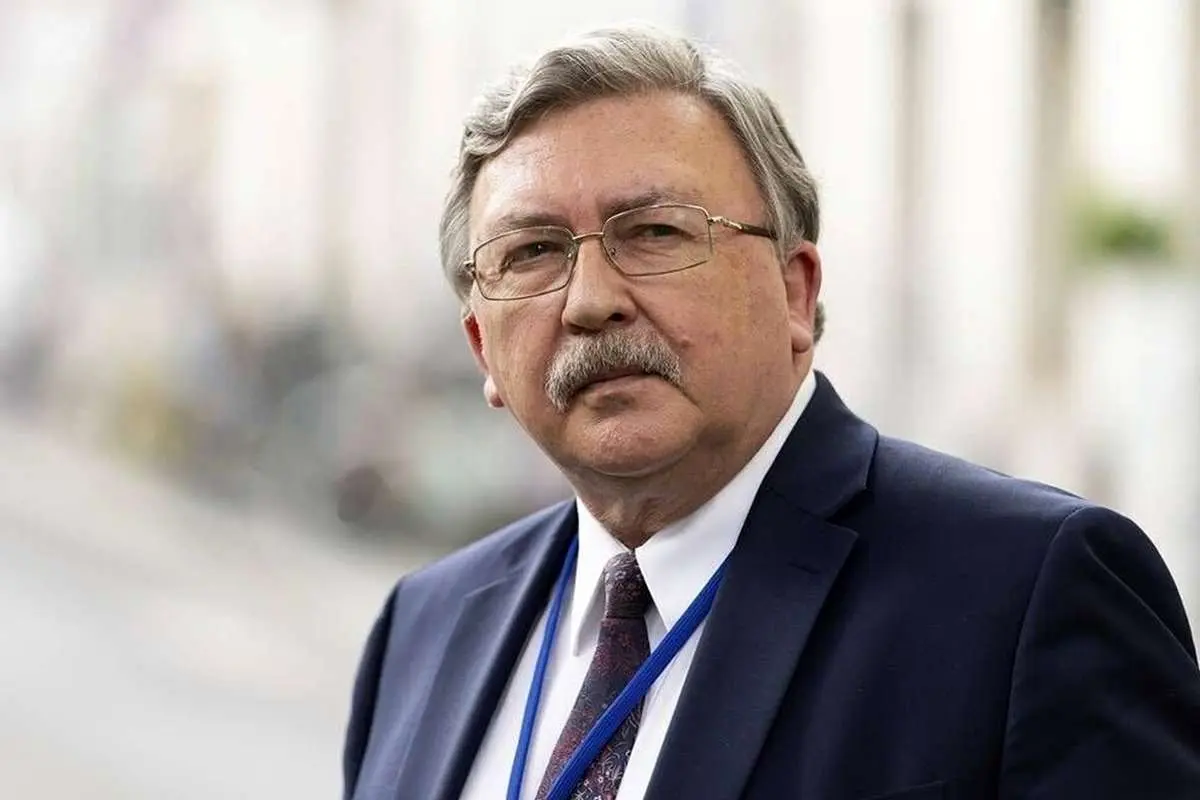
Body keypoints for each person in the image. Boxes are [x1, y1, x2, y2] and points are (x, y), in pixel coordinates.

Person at [342, 25, 1200, 800]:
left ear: (795, 291)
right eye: (532, 252)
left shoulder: (1025, 593)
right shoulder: (425, 627)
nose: (591, 300)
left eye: (656, 233)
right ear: (481, 347)